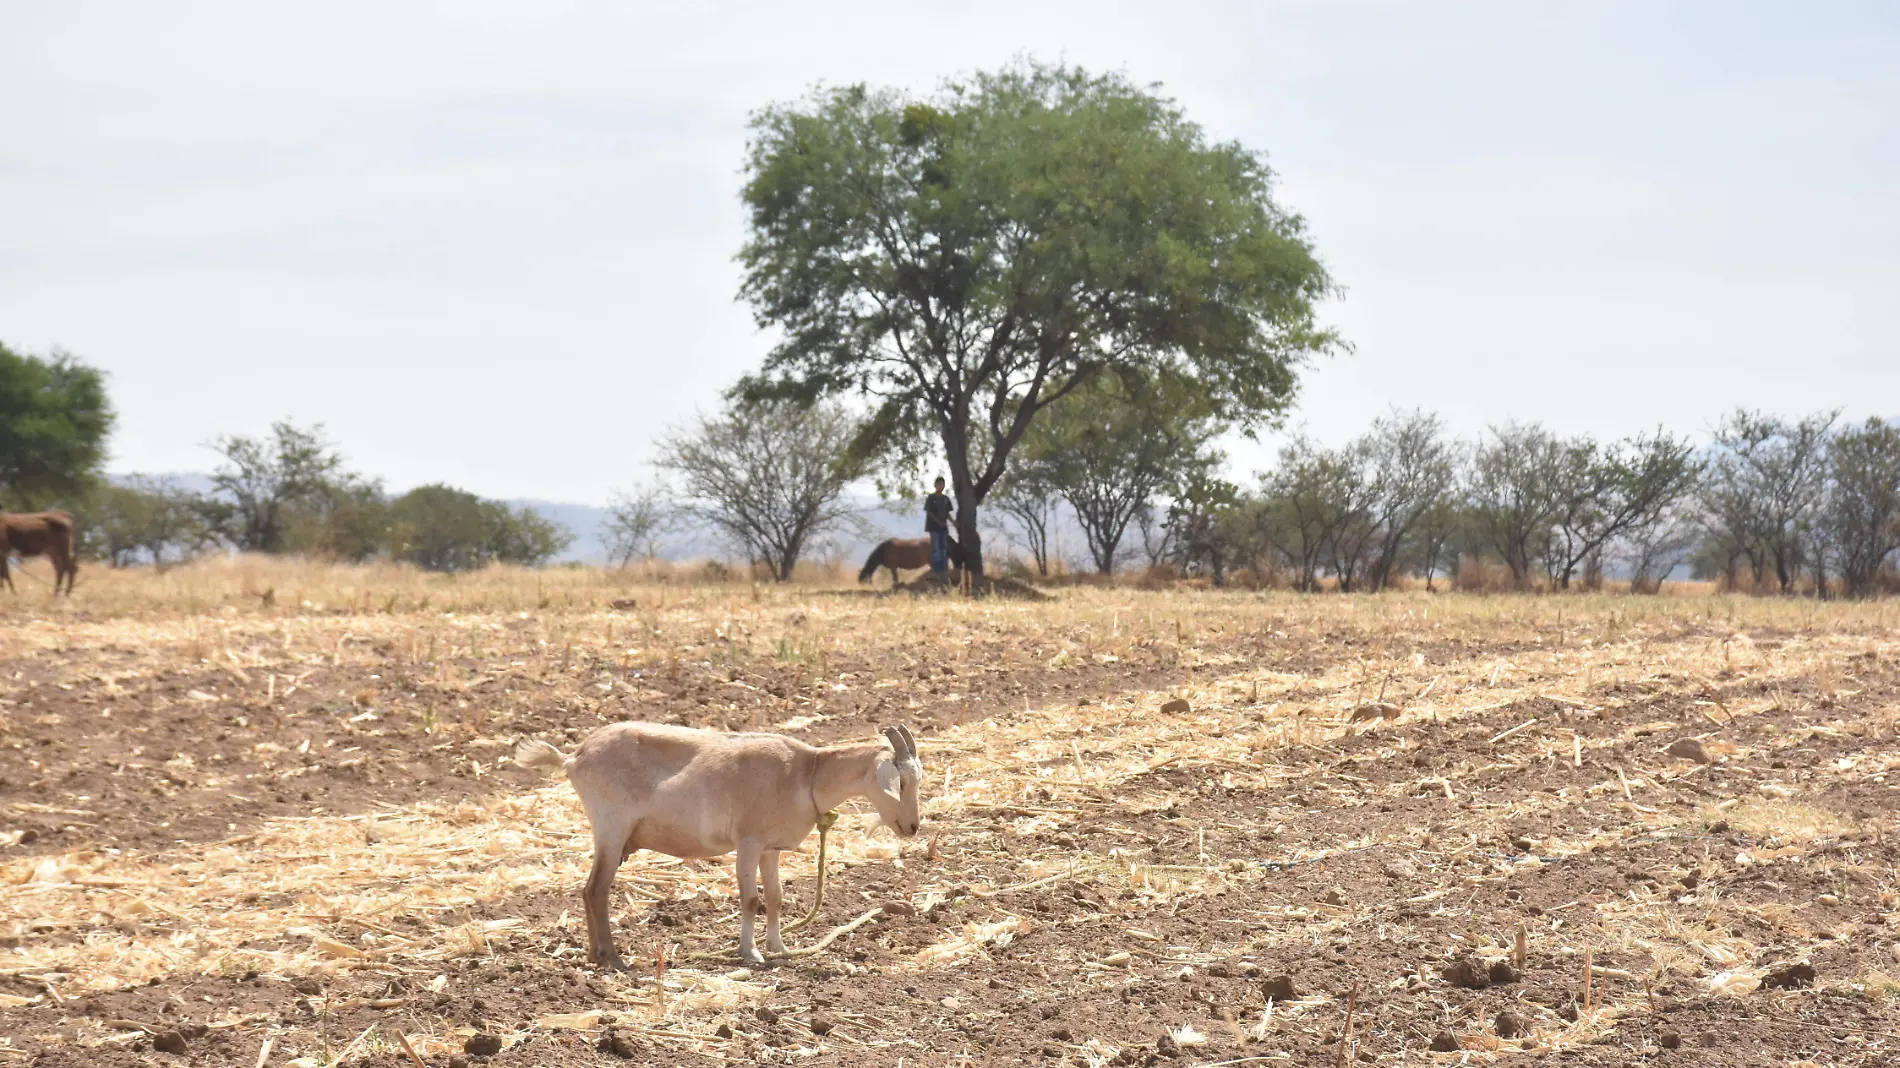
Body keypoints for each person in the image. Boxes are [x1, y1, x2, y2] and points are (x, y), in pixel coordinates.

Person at [924, 476, 955, 574]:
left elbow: (947, 513)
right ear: (935, 485)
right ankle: (936, 569)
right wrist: (938, 521)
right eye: (939, 484)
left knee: (944, 548)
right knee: (936, 548)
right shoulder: (931, 498)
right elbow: (929, 513)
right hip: (934, 527)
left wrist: (953, 522)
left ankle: (944, 568)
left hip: (943, 528)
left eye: (942, 484)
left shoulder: (946, 499)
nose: (941, 486)